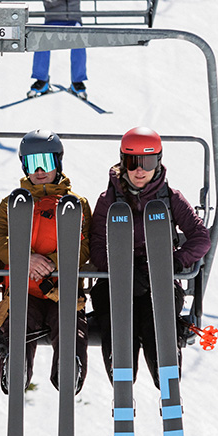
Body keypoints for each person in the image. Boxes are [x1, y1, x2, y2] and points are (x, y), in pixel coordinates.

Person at [88, 126, 210, 387]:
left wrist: (172, 263)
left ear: (159, 161)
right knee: (115, 313)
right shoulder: (109, 199)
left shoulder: (170, 198)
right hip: (116, 282)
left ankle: (165, 368)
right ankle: (120, 367)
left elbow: (201, 238)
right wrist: (120, 269)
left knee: (155, 315)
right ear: (123, 162)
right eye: (133, 162)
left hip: (159, 282)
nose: (139, 170)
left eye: (148, 162)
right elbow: (95, 244)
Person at [0, 129, 92, 394]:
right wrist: (25, 259)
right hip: (24, 289)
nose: (39, 170)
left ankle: (69, 368)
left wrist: (53, 263)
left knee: (70, 323)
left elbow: (84, 247)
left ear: (58, 162)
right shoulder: (11, 204)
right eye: (32, 163)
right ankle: (15, 366)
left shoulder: (76, 204)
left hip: (62, 288)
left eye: (45, 162)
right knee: (18, 320)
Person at [28, 0, 90, 101]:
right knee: (42, 39)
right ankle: (42, 80)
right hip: (53, 21)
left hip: (73, 22)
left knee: (79, 37)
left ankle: (77, 82)